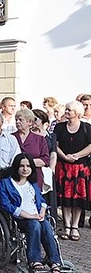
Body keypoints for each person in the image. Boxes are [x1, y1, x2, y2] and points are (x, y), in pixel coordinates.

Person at [0, 153, 61, 273]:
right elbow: (7, 205)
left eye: (28, 166)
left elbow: (42, 201)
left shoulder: (32, 183)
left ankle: (54, 261)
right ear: (16, 167)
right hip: (19, 219)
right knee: (35, 224)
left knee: (47, 226)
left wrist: (42, 211)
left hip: (37, 216)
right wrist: (30, 216)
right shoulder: (5, 183)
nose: (25, 169)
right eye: (22, 166)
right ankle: (34, 260)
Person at [54, 100, 91, 241]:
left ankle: (75, 226)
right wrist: (65, 156)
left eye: (70, 110)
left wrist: (77, 156)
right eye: (67, 110)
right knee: (65, 198)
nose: (67, 112)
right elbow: (54, 145)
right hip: (63, 167)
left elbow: (90, 146)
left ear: (77, 113)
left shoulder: (87, 127)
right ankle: (67, 225)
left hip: (80, 168)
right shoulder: (59, 127)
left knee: (78, 198)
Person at [12, 108, 49, 191]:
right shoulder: (11, 137)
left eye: (21, 120)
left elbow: (45, 160)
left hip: (35, 177)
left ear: (29, 122)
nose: (17, 122)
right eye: (16, 120)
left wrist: (25, 162)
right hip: (15, 177)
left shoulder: (39, 139)